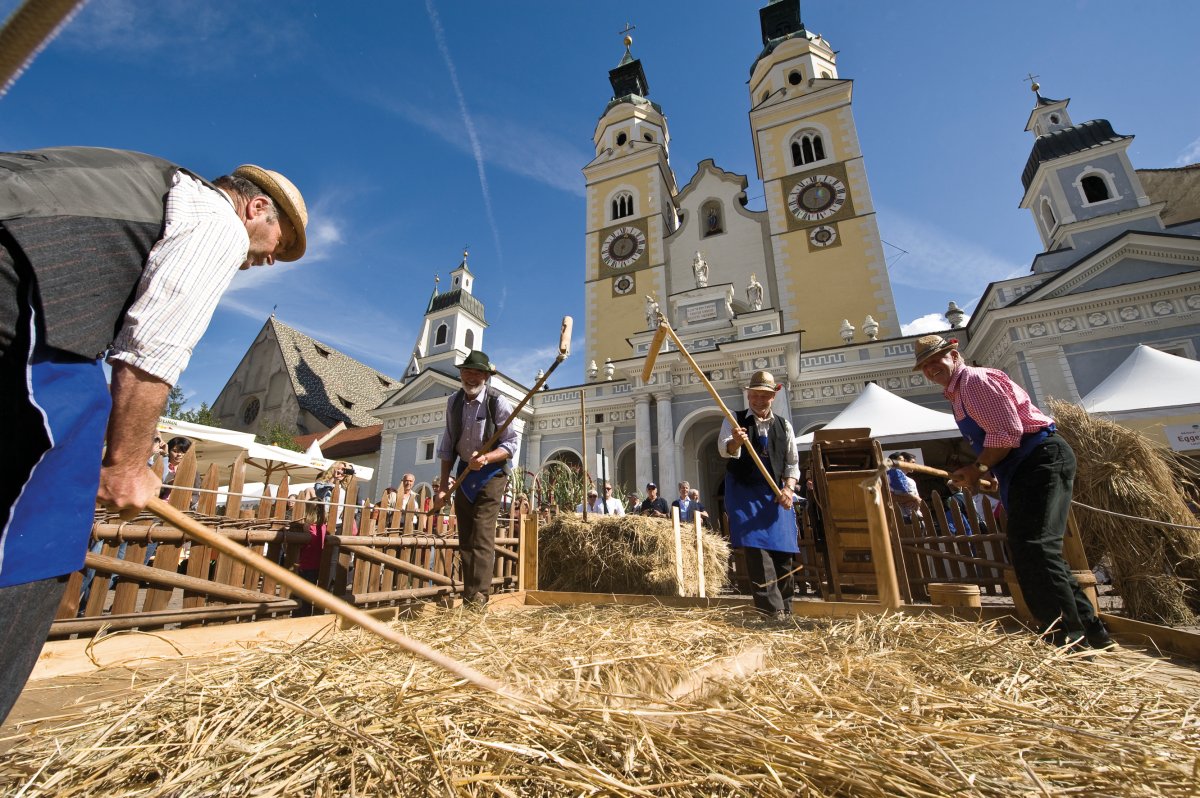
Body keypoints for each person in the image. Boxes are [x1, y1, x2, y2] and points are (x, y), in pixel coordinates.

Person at [0, 147, 307, 724]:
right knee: (49, 502)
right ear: (255, 208)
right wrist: (126, 464)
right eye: (278, 243)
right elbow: (151, 355)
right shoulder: (215, 222)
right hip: (22, 284)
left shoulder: (152, 184)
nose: (270, 259)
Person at [914, 334, 1111, 649]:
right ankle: (1093, 632)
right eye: (924, 366)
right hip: (1023, 464)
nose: (930, 368)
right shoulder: (958, 393)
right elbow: (1000, 437)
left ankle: (1067, 638)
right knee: (1037, 549)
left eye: (935, 360)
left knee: (1033, 546)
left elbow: (1006, 432)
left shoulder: (974, 381)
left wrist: (978, 468)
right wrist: (988, 473)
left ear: (954, 355)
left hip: (1039, 457)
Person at [431, 350, 518, 609]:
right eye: (466, 371)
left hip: (492, 474)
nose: (470, 377)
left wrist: (487, 458)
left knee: (481, 534)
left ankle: (479, 597)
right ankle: (469, 596)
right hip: (464, 471)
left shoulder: (497, 402)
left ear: (486, 377)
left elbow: (511, 444)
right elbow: (448, 444)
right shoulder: (453, 402)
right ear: (460, 374)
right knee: (466, 536)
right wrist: (443, 486)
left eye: (477, 373)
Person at [719, 369, 800, 619]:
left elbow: (792, 463)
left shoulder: (784, 426)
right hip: (744, 493)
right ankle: (770, 612)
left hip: (774, 493)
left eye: (763, 396)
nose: (758, 400)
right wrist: (736, 442)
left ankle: (787, 609)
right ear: (748, 395)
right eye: (754, 395)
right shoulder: (734, 419)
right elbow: (724, 449)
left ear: (773, 397)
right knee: (757, 549)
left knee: (783, 551)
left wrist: (788, 488)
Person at [886, 451, 923, 523]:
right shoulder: (889, 476)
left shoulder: (911, 481)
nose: (914, 465)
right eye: (912, 462)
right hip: (902, 517)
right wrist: (912, 499)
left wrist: (915, 501)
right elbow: (890, 497)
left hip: (917, 516)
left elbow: (917, 499)